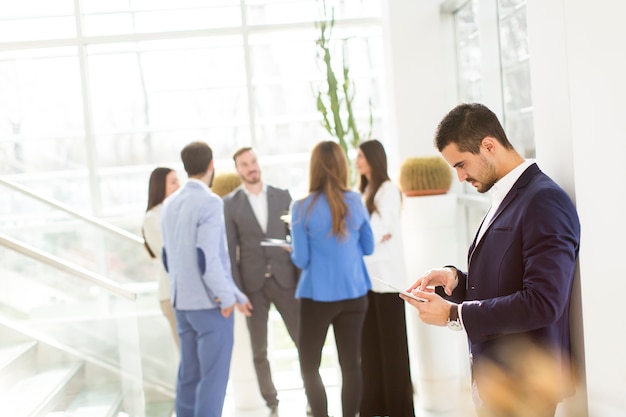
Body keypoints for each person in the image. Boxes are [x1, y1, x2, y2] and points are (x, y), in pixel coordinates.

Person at [401, 103, 581, 417]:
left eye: (461, 164)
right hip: (496, 383)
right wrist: (456, 280)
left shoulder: (544, 200)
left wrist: (454, 314)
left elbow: (544, 301)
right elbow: (507, 280)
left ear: (488, 145)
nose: (459, 177)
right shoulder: (505, 195)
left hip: (525, 387)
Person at [160, 141, 253, 417]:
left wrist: (235, 294)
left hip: (182, 303)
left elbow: (168, 257)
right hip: (209, 306)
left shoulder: (169, 204)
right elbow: (207, 258)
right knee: (212, 381)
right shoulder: (210, 202)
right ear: (211, 165)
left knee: (188, 377)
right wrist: (225, 298)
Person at [290, 140, 374, 417]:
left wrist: (294, 246)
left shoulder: (301, 207)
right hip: (354, 293)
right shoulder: (355, 201)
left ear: (313, 167)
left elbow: (301, 260)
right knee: (351, 365)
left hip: (317, 297)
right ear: (342, 166)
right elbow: (368, 248)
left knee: (309, 365)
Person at [223, 147, 301, 416]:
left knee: (302, 340)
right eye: (244, 164)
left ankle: (312, 396)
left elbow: (296, 240)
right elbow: (230, 251)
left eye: (253, 161)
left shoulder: (283, 196)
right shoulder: (230, 204)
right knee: (260, 350)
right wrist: (236, 292)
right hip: (251, 286)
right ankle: (272, 404)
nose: (250, 167)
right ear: (238, 170)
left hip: (285, 280)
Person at [355, 139, 415, 417]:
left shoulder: (389, 190)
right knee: (370, 350)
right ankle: (374, 408)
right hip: (367, 281)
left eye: (361, 156)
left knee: (393, 351)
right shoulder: (364, 190)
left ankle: (400, 410)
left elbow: (381, 230)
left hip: (388, 281)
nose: (357, 161)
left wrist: (359, 239)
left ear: (374, 158)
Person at [142, 167, 180, 348]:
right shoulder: (152, 217)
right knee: (187, 353)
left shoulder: (179, 210)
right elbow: (169, 251)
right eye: (173, 182)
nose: (178, 185)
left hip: (187, 293)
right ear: (160, 186)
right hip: (171, 294)